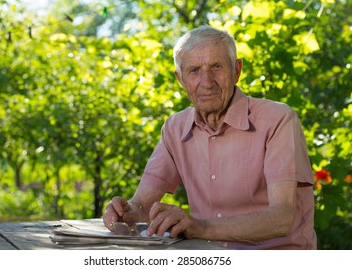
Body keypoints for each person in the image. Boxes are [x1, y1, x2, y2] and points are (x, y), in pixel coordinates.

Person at [103, 25, 317, 249]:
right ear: (180, 79)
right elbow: (141, 206)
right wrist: (125, 212)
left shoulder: (277, 119)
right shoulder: (174, 129)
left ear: (237, 70)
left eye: (216, 66)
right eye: (194, 70)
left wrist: (199, 227)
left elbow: (281, 218)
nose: (206, 82)